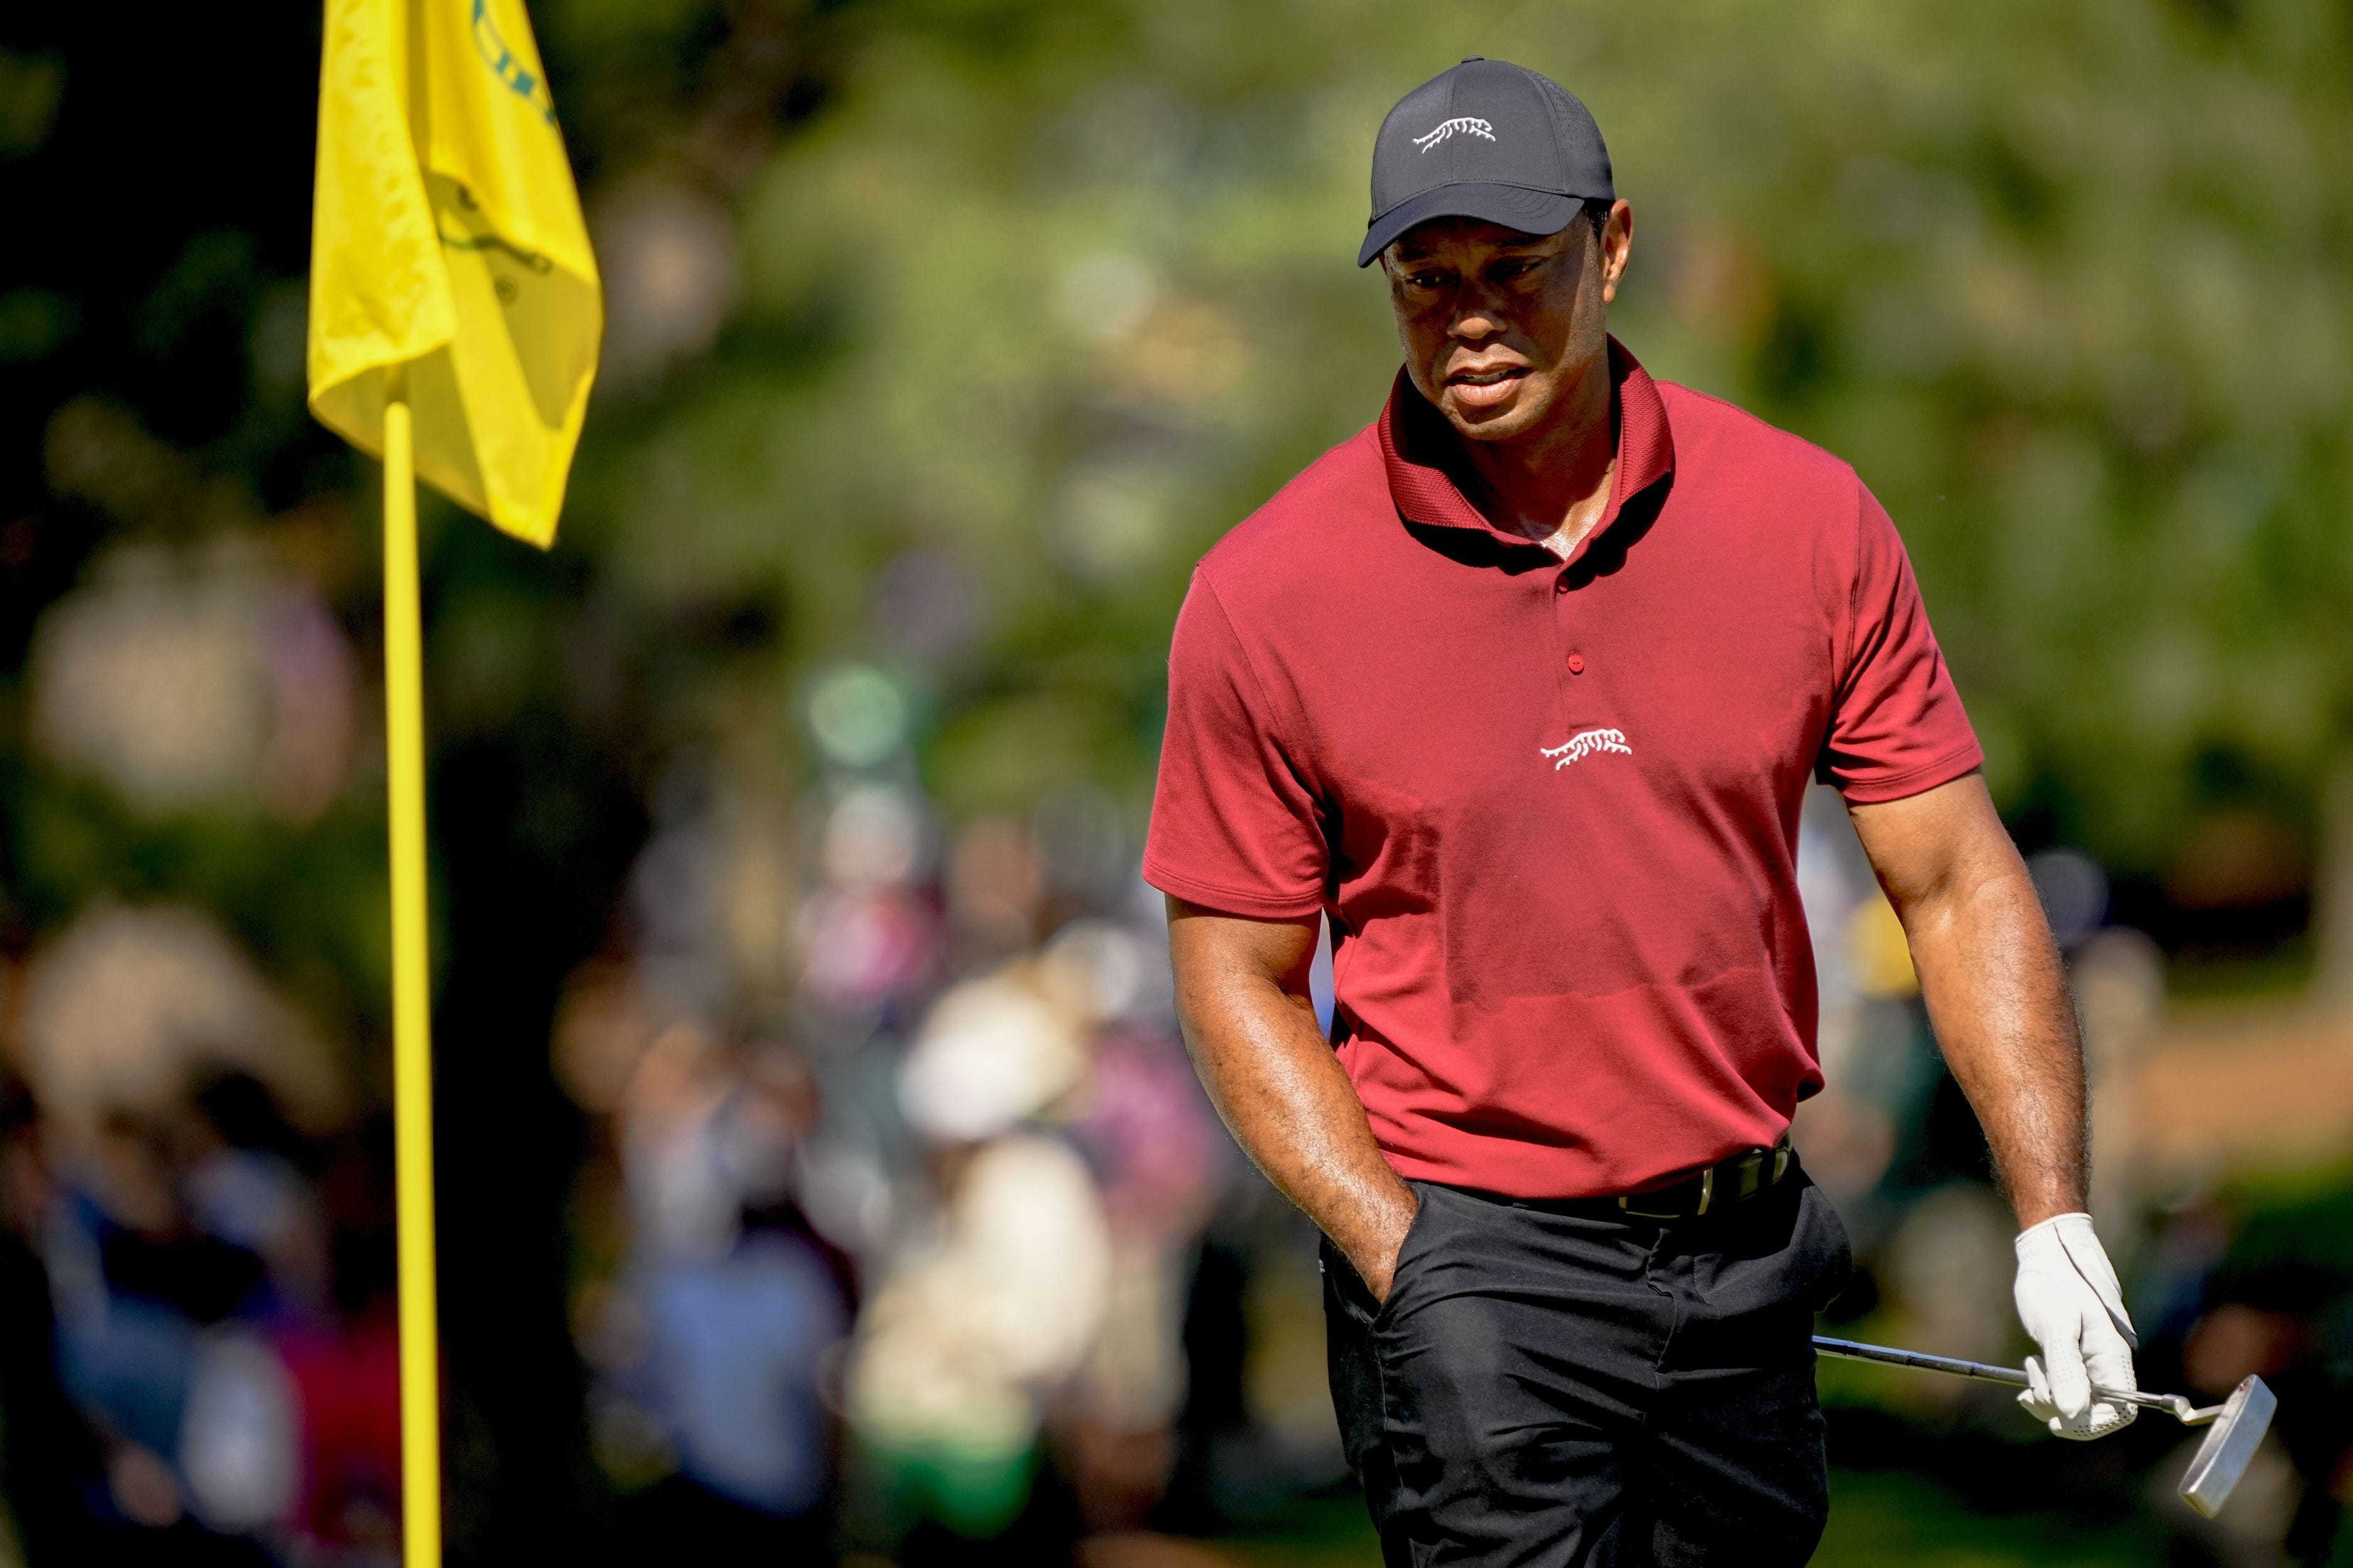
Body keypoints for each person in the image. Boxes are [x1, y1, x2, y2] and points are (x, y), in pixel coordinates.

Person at [1143, 57, 2138, 1567]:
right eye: (1425, 278)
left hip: (1747, 1249)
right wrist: (1406, 1257)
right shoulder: (1265, 593)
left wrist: (2051, 1218)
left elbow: (1950, 880)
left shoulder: (1803, 519)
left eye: (1515, 269)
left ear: (1611, 249)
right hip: (1470, 1250)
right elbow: (1234, 975)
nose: (1467, 316)